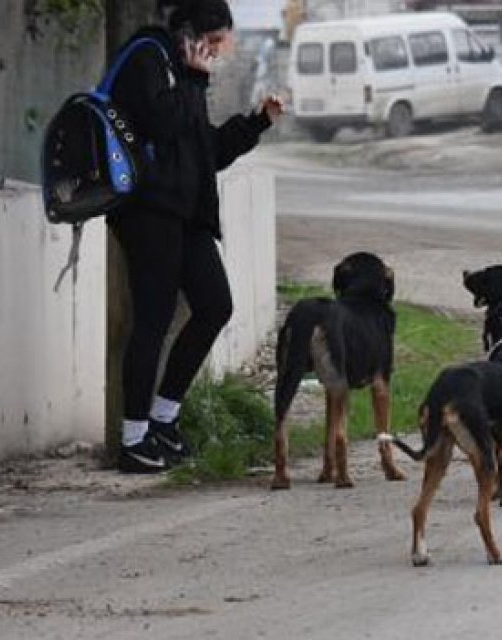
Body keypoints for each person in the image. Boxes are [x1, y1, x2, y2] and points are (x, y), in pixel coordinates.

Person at [110, 0, 284, 473]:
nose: (216, 54)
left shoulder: (183, 74)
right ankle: (133, 438)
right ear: (190, 35)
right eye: (211, 43)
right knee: (152, 320)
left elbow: (205, 150)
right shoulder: (148, 56)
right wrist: (192, 76)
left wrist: (258, 123)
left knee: (215, 305)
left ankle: (164, 417)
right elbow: (161, 125)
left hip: (185, 216)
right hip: (148, 212)